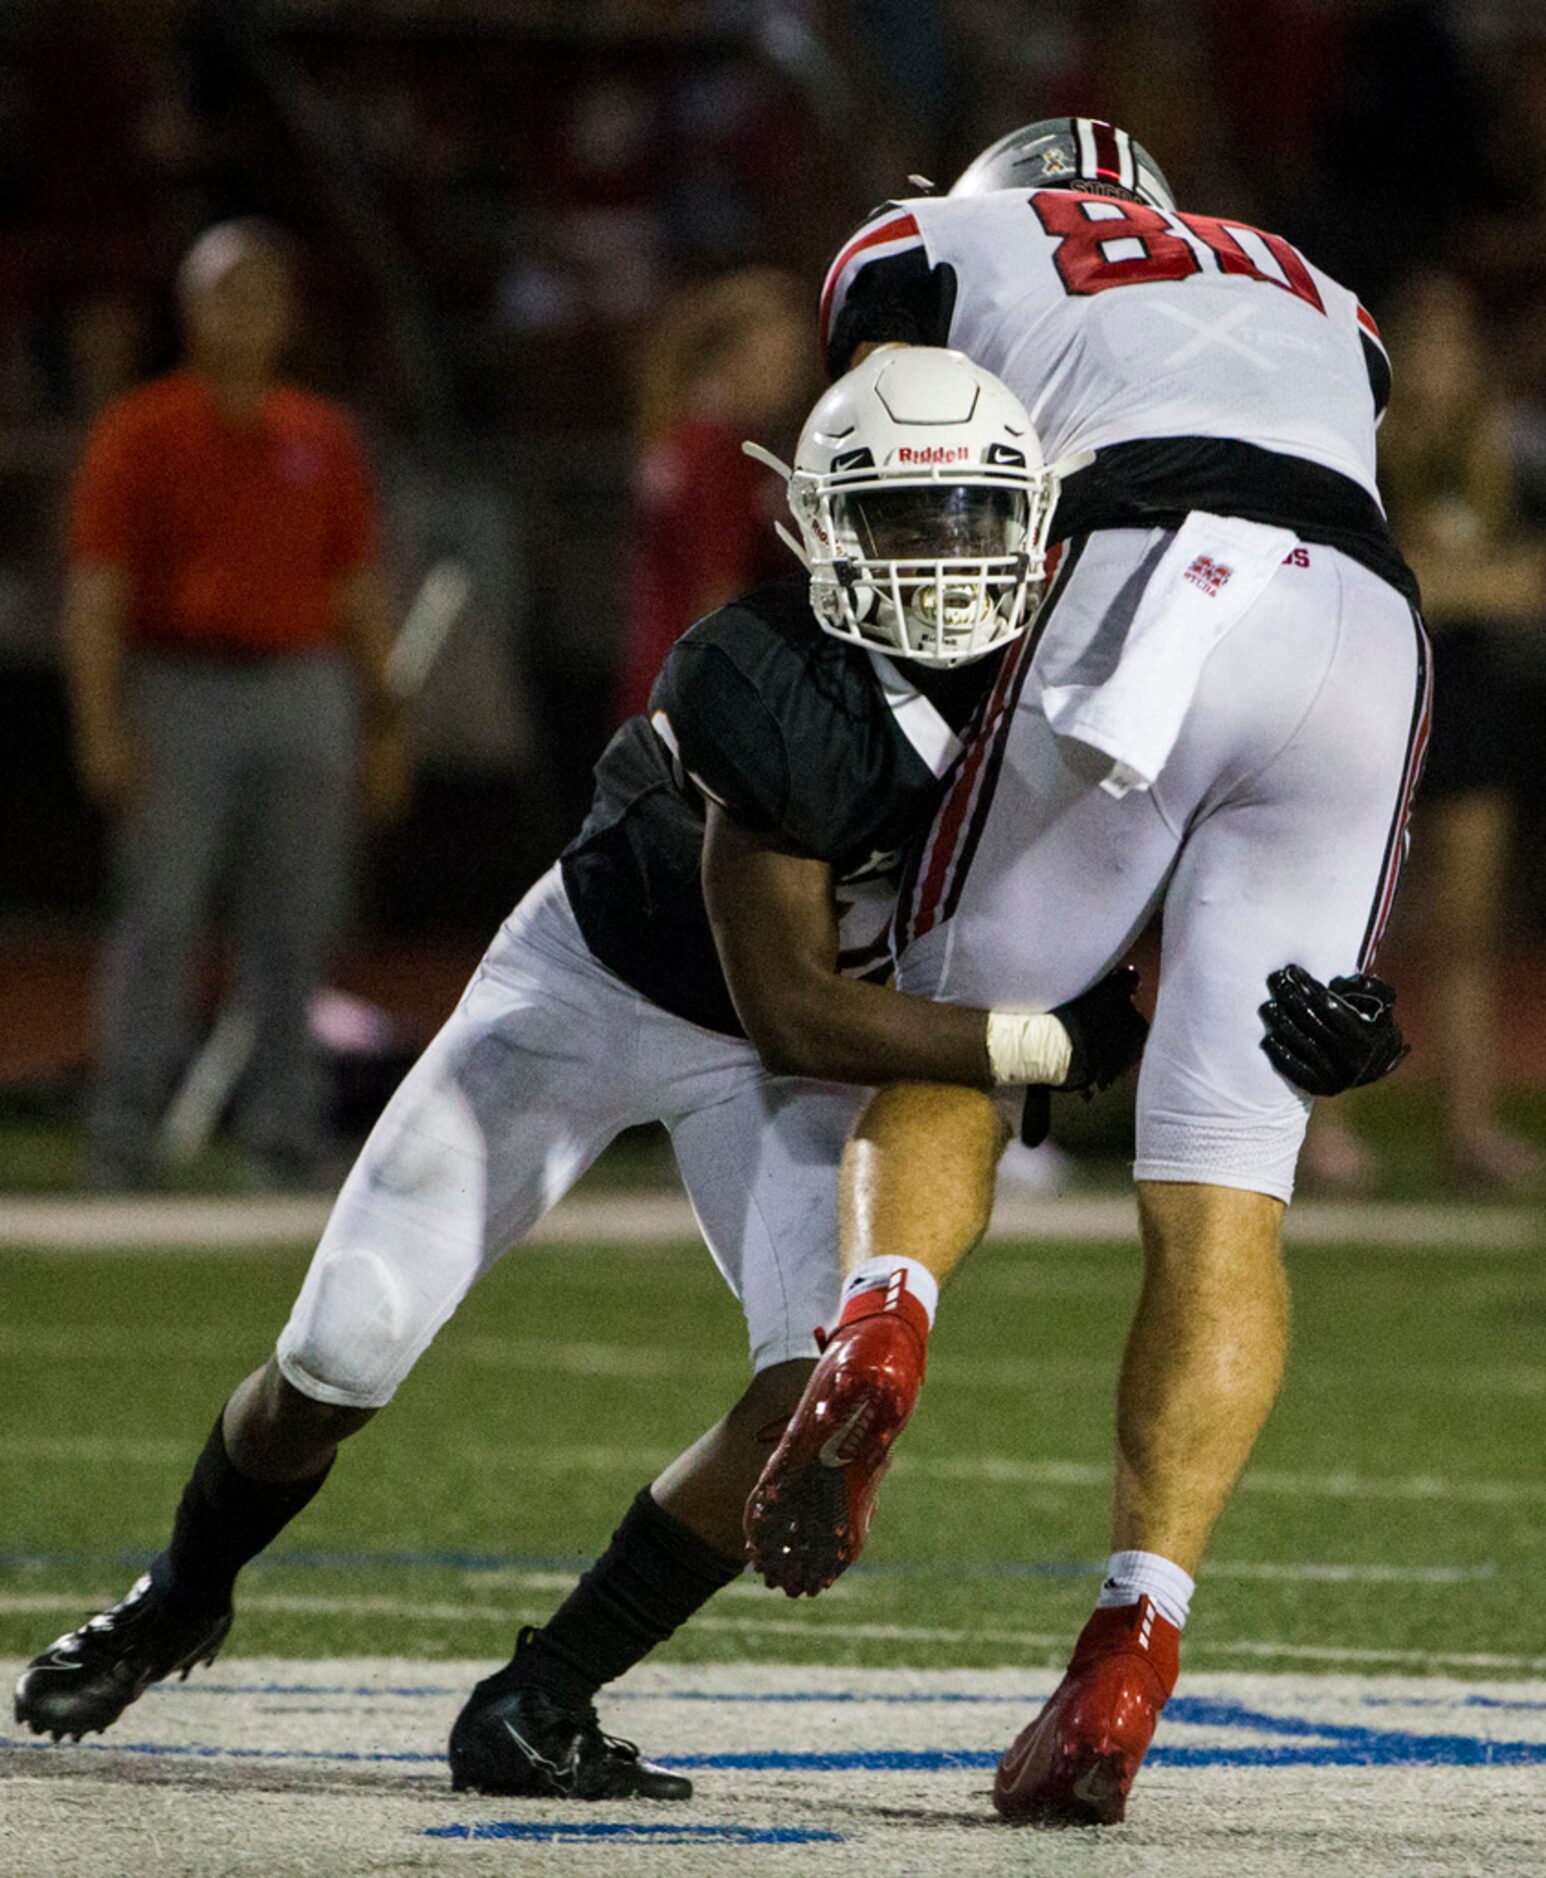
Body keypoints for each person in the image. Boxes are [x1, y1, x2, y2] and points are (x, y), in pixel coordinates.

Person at [17, 348, 1152, 1798]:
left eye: (966, 516)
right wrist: (1049, 1042)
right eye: (899, 518)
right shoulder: (760, 675)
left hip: (794, 1052)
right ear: (813, 526)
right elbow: (796, 1012)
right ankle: (177, 1594)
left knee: (818, 1396)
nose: (939, 558)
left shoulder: (1077, 675)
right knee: (335, 1355)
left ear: (1034, 520)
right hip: (601, 986)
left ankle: (541, 1694)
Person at [743, 119, 1427, 1828]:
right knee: (1228, 1191)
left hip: (1146, 576)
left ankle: (883, 1322)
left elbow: (886, 436)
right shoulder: (1325, 291)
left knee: (954, 1035)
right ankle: (1134, 1639)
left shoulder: (948, 236)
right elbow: (1328, 476)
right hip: (1362, 631)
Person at [65, 219, 410, 1191]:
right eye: (227, 292)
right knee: (159, 915)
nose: (246, 313)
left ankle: (287, 1134)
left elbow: (355, 587)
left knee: (296, 923)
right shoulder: (142, 431)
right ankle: (124, 1133)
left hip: (302, 686)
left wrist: (382, 716)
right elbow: (99, 590)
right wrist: (101, 721)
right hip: (178, 686)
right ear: (189, 308)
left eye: (263, 293)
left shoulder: (319, 434)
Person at [615, 268, 810, 723]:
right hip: (698, 701)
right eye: (780, 359)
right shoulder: (722, 452)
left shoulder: (686, 435)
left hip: (660, 684)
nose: (792, 379)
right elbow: (717, 594)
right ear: (733, 358)